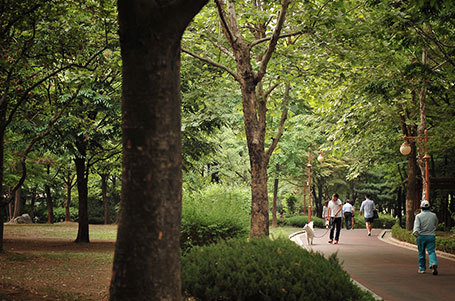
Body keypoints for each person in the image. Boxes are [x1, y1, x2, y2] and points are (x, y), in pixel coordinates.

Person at [413, 200, 438, 275]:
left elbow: (416, 228)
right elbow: (436, 224)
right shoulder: (434, 215)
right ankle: (433, 263)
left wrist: (416, 234)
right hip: (431, 236)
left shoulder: (418, 216)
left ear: (421, 207)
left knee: (421, 253)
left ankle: (422, 268)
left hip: (421, 236)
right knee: (431, 251)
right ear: (429, 207)